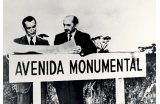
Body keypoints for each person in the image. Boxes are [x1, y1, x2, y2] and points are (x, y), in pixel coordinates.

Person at [53, 15, 97, 104]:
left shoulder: (84, 37)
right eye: (64, 25)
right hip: (61, 82)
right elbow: (55, 54)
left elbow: (93, 50)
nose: (65, 28)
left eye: (68, 25)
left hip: (76, 81)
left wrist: (82, 50)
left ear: (76, 25)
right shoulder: (58, 37)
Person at [13, 16, 49, 104]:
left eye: (34, 27)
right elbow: (11, 63)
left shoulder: (44, 43)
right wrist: (9, 56)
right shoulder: (17, 42)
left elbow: (50, 61)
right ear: (24, 28)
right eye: (29, 28)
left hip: (40, 86)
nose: (32, 30)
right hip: (23, 87)